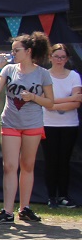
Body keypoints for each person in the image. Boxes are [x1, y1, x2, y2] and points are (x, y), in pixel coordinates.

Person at [0, 32, 55, 224]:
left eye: (16, 50)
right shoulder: (9, 69)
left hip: (32, 124)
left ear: (28, 51)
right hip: (10, 122)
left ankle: (24, 208)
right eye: (12, 50)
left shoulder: (42, 73)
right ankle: (7, 211)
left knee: (27, 165)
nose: (13, 53)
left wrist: (33, 97)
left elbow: (50, 102)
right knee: (9, 166)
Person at [43, 43, 81, 207]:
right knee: (51, 160)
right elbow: (44, 102)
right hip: (48, 124)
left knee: (64, 160)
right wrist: (68, 99)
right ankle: (51, 196)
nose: (59, 60)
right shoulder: (44, 75)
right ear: (50, 57)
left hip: (69, 125)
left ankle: (63, 196)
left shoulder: (74, 76)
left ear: (67, 59)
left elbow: (77, 102)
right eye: (56, 56)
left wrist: (53, 103)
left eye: (63, 57)